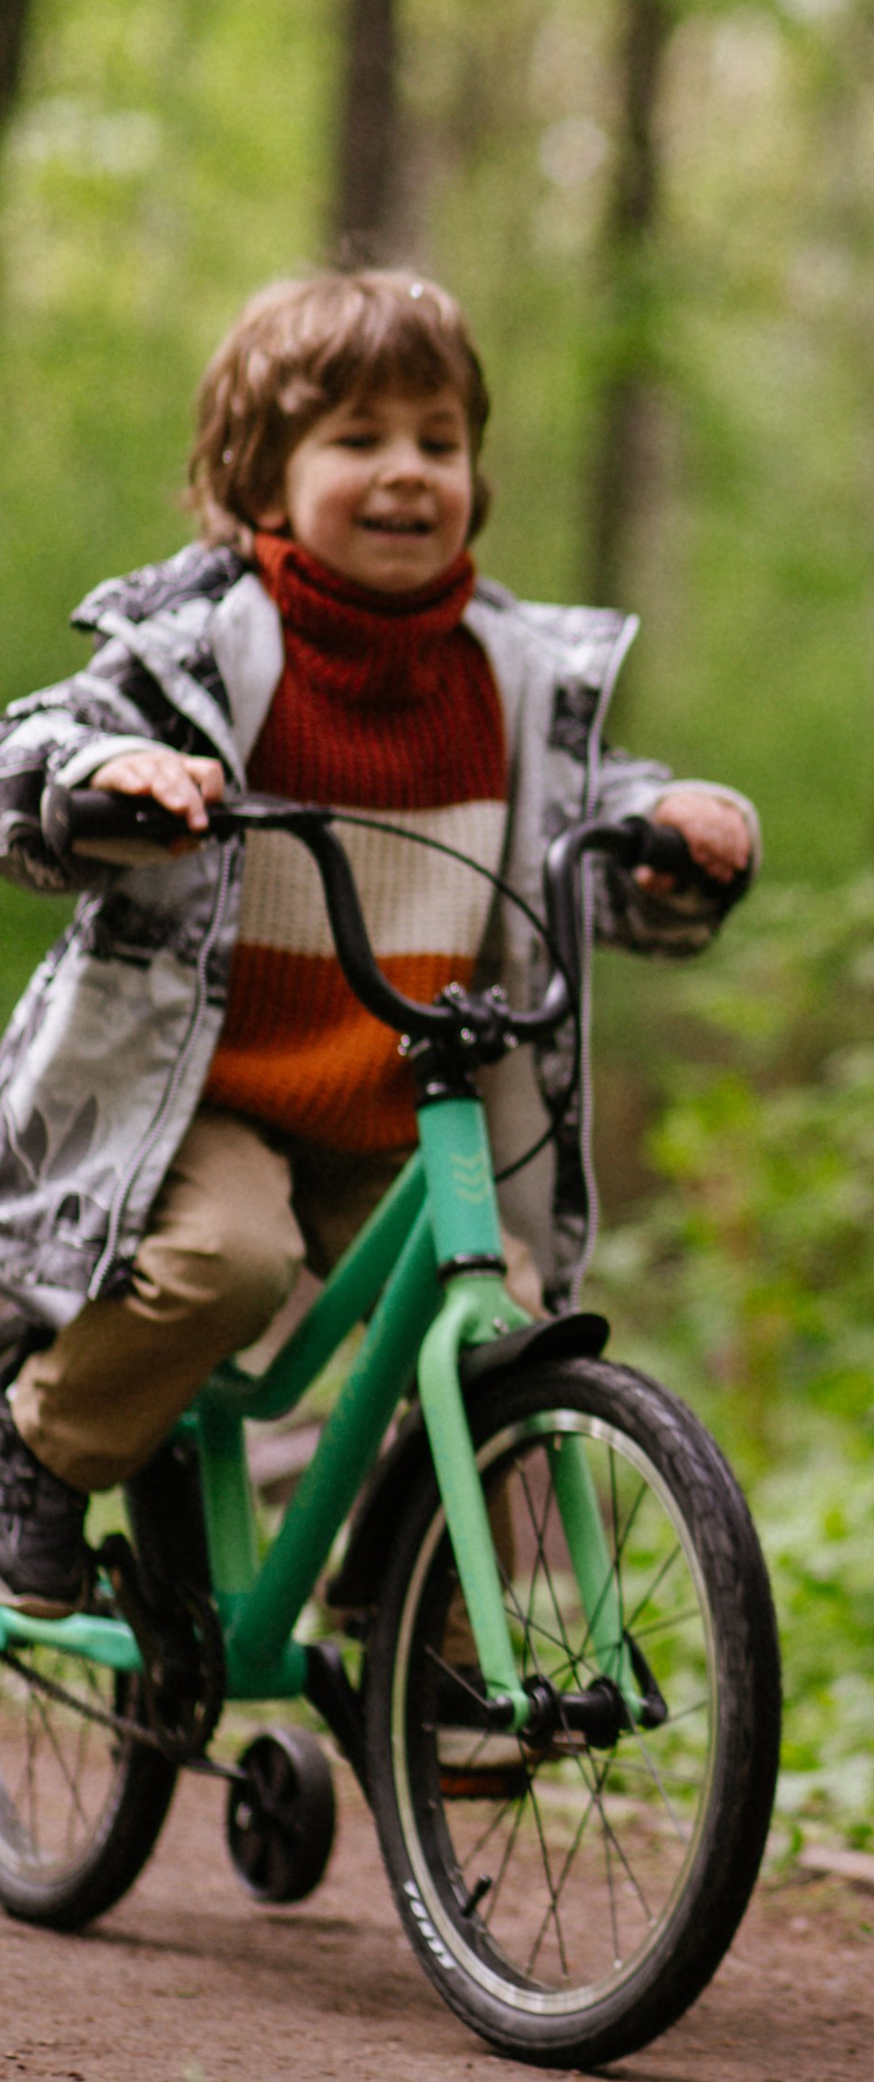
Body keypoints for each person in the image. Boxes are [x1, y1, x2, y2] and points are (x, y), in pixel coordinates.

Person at [0, 268, 756, 1619]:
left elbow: (591, 825)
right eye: (357, 440)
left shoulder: (512, 671)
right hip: (201, 1094)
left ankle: (420, 1621)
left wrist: (677, 829)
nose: (408, 471)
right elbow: (28, 757)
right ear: (262, 481)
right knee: (220, 1267)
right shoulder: (194, 650)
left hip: (405, 1097)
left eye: (438, 440)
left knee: (499, 1338)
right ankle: (42, 1444)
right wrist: (117, 772)